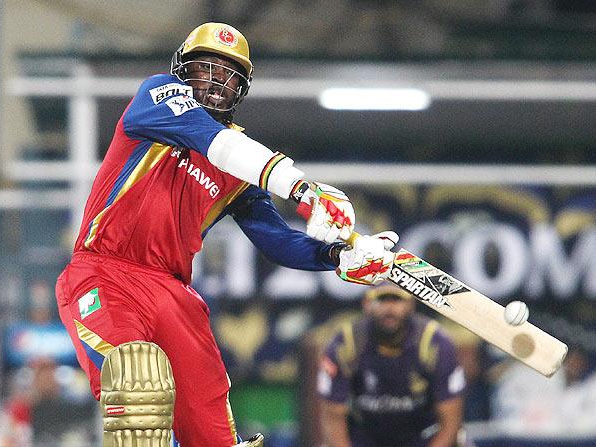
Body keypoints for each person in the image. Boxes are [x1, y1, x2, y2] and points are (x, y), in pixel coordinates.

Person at [54, 22, 397, 447]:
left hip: (174, 295)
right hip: (105, 275)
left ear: (242, 88)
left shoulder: (239, 166)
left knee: (214, 436)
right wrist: (302, 187)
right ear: (182, 69)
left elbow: (275, 239)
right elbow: (211, 140)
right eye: (206, 68)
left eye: (229, 73)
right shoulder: (156, 98)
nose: (217, 81)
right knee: (136, 386)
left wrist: (338, 257)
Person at [317, 284, 466, 447]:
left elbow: (450, 422)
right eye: (381, 300)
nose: (389, 308)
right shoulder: (346, 345)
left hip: (422, 436)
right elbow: (333, 418)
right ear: (367, 304)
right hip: (364, 437)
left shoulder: (435, 344)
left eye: (397, 299)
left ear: (411, 304)